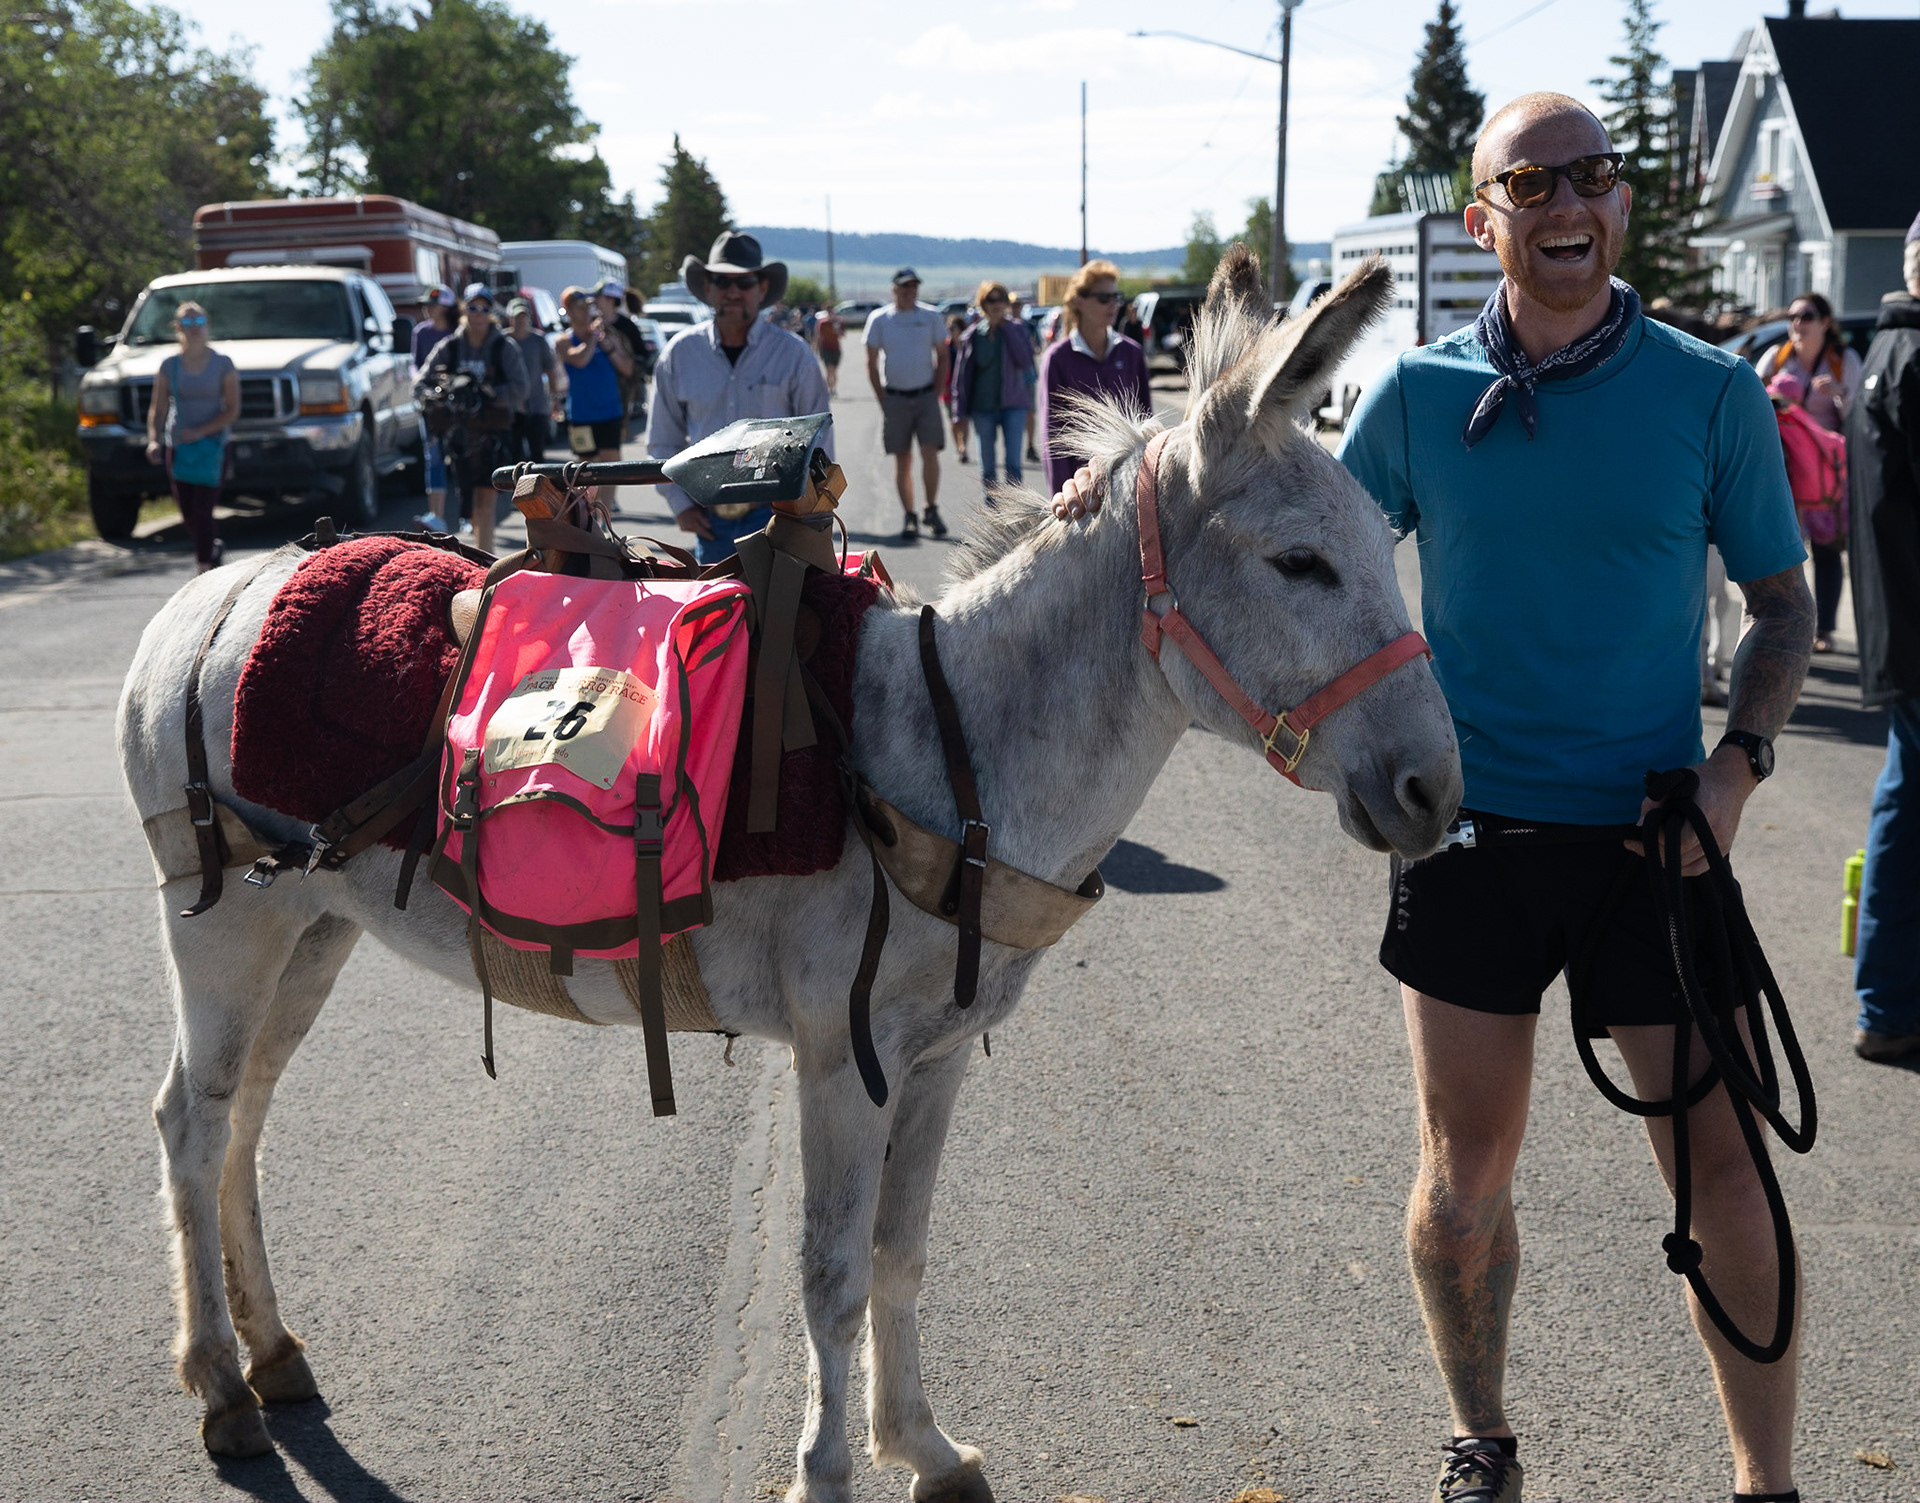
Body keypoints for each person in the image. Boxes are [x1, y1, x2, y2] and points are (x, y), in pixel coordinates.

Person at [1052, 94, 1814, 1503]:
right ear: (1485, 220)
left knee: (1726, 1170)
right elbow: (1285, 532)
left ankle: (1765, 1481)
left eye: (1594, 177)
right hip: (1465, 835)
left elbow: (1783, 610)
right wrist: (1110, 514)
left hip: (1661, 837)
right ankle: (1484, 1436)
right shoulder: (1415, 397)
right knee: (1463, 1181)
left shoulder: (1709, 391)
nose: (1569, 204)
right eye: (1533, 184)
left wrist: (1737, 767)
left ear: (1623, 207)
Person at [1845, 216, 1920, 1065]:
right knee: (1905, 815)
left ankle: (1890, 995)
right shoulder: (1913, 362)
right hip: (1913, 625)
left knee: (1905, 807)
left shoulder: (1886, 355)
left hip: (1901, 625)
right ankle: (1889, 1000)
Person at [650, 231, 831, 564]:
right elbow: (663, 441)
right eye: (721, 281)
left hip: (782, 517)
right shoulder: (679, 355)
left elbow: (819, 439)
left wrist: (809, 514)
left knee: (786, 614)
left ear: (762, 289)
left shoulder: (793, 355)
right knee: (717, 614)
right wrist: (682, 506)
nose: (732, 292)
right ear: (707, 289)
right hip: (711, 520)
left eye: (744, 282)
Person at [1757, 293, 1861, 652]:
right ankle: (1780, 621)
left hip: (1824, 470)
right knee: (1783, 547)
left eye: (1808, 315)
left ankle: (1825, 630)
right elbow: (1750, 403)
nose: (1798, 323)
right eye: (1793, 315)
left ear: (1826, 322)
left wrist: (1840, 393)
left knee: (1827, 548)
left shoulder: (1842, 360)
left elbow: (1861, 414)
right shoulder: (1777, 357)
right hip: (1782, 466)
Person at [412, 283, 527, 553]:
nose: (478, 313)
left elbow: (521, 388)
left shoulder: (504, 347)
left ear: (490, 312)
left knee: (485, 501)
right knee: (470, 505)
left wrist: (486, 395)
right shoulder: (450, 347)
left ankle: (486, 561)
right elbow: (419, 385)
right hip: (461, 438)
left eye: (484, 308)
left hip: (492, 435)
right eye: (473, 307)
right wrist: (445, 395)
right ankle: (482, 557)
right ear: (464, 310)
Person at [1037, 258, 1152, 495]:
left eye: (1115, 297)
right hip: (1081, 488)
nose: (1113, 304)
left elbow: (1147, 423)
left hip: (1129, 482)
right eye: (1103, 298)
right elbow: (1053, 435)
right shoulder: (1058, 358)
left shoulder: (1132, 353)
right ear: (1079, 301)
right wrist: (1062, 495)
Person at [144, 300, 238, 572]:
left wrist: (201, 431)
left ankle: (203, 567)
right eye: (187, 322)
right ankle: (212, 546)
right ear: (178, 328)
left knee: (203, 509)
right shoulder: (169, 366)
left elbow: (232, 410)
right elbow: (158, 407)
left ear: (207, 325)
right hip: (180, 447)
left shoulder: (222, 363)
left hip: (214, 446)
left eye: (198, 322)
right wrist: (154, 440)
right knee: (187, 515)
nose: (193, 328)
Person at [864, 268, 951, 541]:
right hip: (896, 397)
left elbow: (943, 355)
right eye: (904, 287)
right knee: (903, 459)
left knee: (930, 453)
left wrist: (937, 390)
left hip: (925, 395)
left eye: (914, 286)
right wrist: (883, 399)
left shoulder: (930, 317)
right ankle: (909, 515)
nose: (909, 291)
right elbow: (870, 361)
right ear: (894, 290)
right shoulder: (880, 320)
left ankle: (931, 508)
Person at [950, 279, 1035, 499]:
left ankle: (1016, 514)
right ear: (983, 304)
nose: (996, 304)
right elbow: (960, 377)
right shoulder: (972, 336)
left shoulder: (1017, 329)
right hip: (982, 408)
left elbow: (1026, 361)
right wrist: (958, 412)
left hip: (1013, 405)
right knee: (988, 469)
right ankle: (993, 519)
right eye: (991, 299)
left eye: (1001, 299)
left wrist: (1007, 328)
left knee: (1013, 466)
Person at [555, 284, 633, 513]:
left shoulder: (607, 336)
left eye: (585, 306)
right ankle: (589, 515)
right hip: (582, 414)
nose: (583, 312)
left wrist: (608, 346)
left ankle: (605, 514)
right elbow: (579, 361)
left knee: (611, 464)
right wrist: (592, 338)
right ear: (568, 312)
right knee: (586, 469)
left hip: (610, 411)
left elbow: (627, 368)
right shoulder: (564, 340)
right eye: (577, 308)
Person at [411, 283, 459, 530]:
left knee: (462, 457)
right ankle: (436, 515)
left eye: (435, 303)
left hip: (456, 403)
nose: (429, 308)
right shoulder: (420, 332)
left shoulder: (457, 333)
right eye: (427, 304)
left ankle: (468, 514)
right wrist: (421, 387)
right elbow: (415, 365)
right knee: (434, 457)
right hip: (430, 405)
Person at [504, 296, 557, 465]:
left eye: (523, 316)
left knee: (537, 454)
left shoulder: (538, 340)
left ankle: (539, 490)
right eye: (516, 316)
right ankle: (517, 489)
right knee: (515, 454)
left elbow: (550, 369)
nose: (520, 320)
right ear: (509, 318)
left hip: (536, 405)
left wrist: (554, 399)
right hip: (512, 407)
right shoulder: (503, 341)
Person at [594, 278, 649, 439]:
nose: (595, 301)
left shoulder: (627, 326)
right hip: (598, 387)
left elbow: (641, 356)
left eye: (599, 297)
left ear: (610, 300)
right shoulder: (593, 325)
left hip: (621, 389)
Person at [944, 313, 971, 462]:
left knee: (964, 419)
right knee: (954, 420)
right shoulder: (945, 347)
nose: (951, 331)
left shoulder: (967, 345)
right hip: (948, 389)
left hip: (964, 388)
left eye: (954, 328)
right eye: (949, 328)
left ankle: (964, 448)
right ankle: (958, 446)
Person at [815, 304, 843, 396]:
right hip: (825, 348)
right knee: (829, 369)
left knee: (834, 370)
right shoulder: (823, 323)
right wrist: (816, 348)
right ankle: (829, 389)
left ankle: (833, 388)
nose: (831, 314)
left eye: (832, 312)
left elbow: (842, 335)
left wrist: (837, 330)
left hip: (835, 348)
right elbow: (819, 336)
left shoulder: (837, 323)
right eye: (829, 312)